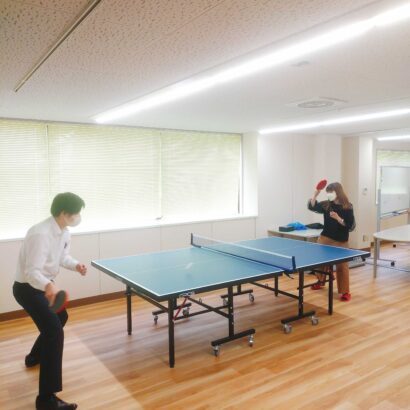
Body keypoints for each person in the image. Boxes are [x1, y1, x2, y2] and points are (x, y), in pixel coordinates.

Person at [13, 192, 87, 410]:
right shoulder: (40, 234)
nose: (78, 217)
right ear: (64, 213)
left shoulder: (64, 232)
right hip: (27, 289)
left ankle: (34, 356)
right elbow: (31, 272)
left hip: (44, 287)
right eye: (76, 213)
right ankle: (46, 400)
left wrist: (76, 265)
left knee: (60, 318)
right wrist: (48, 286)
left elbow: (62, 258)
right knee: (54, 331)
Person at [308, 182, 355, 302]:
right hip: (326, 237)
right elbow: (312, 206)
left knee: (342, 266)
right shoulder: (327, 205)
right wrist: (315, 194)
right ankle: (320, 281)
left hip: (341, 240)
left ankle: (345, 291)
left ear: (338, 192)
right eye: (327, 192)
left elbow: (350, 226)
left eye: (331, 192)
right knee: (320, 261)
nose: (329, 194)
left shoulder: (347, 207)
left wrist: (338, 218)